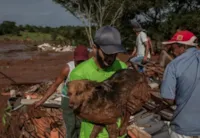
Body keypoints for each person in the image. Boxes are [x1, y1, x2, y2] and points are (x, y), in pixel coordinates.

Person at [68, 26, 127, 138]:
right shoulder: (80, 74)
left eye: (115, 53)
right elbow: (78, 111)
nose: (111, 58)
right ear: (94, 48)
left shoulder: (122, 68)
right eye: (107, 53)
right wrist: (108, 118)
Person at [34, 45, 89, 138]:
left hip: (81, 100)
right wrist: (42, 101)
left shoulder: (89, 69)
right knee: (70, 125)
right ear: (74, 58)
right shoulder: (68, 69)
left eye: (82, 61)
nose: (80, 64)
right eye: (78, 61)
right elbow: (55, 85)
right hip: (68, 100)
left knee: (81, 125)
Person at [161, 30, 200, 138]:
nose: (173, 52)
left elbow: (168, 98)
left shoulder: (174, 65)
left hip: (183, 129)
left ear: (183, 47)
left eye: (173, 48)